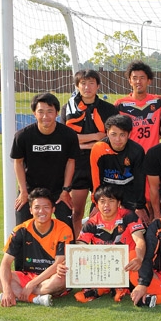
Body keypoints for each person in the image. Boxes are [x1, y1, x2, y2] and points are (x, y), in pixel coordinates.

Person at [0, 188, 73, 307]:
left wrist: (31, 285)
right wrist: (6, 289)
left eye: (46, 207)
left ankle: (18, 294)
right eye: (37, 207)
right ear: (31, 210)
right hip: (27, 276)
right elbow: (5, 263)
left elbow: (58, 263)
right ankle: (35, 299)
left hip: (49, 278)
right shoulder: (21, 230)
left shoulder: (63, 230)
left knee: (61, 280)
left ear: (53, 209)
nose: (41, 211)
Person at [61, 70, 118, 236]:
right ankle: (77, 244)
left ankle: (99, 241)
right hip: (78, 164)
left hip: (103, 163)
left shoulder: (108, 109)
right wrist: (95, 138)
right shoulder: (68, 108)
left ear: (98, 86)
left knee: (103, 209)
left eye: (91, 83)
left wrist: (83, 143)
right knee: (77, 211)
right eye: (83, 83)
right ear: (77, 86)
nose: (87, 87)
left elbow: (111, 139)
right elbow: (68, 139)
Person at [11, 92, 80, 229]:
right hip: (31, 190)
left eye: (49, 111)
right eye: (41, 112)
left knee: (67, 228)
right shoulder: (22, 136)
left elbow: (70, 162)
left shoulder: (69, 135)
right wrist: (23, 192)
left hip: (58, 191)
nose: (45, 116)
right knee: (22, 229)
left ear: (56, 113)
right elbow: (18, 162)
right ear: (34, 113)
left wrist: (66, 190)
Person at [74, 184, 146, 303]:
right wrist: (70, 261)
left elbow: (139, 240)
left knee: (134, 255)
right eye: (102, 201)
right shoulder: (91, 223)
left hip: (126, 263)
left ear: (118, 203)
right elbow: (80, 246)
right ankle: (105, 288)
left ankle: (118, 287)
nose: (106, 205)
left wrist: (139, 258)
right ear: (97, 204)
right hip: (104, 264)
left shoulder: (128, 215)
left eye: (111, 201)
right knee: (82, 258)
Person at [90, 115, 148, 224]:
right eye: (113, 134)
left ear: (129, 134)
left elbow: (140, 181)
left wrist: (139, 206)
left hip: (129, 191)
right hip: (107, 190)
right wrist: (97, 204)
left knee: (139, 223)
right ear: (107, 133)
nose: (117, 139)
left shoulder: (137, 151)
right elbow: (96, 179)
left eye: (122, 135)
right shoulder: (98, 148)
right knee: (95, 223)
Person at [115, 61, 161, 153]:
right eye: (134, 78)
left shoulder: (159, 102)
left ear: (149, 81)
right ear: (130, 81)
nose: (138, 81)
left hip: (152, 154)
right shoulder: (120, 105)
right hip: (130, 155)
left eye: (142, 78)